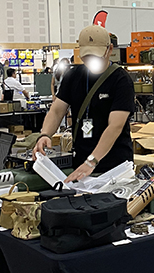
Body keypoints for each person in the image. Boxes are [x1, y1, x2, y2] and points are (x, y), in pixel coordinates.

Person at [33, 26, 134, 182]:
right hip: (81, 165)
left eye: (96, 56)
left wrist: (92, 161)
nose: (91, 61)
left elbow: (115, 126)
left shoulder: (121, 80)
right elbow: (57, 111)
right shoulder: (73, 76)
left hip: (114, 167)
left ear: (109, 49)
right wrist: (45, 134)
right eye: (87, 57)